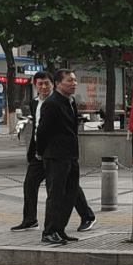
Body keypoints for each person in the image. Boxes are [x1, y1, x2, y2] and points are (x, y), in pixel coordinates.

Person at [11, 71, 97, 234]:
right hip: (41, 152)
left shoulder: (60, 101)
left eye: (47, 83)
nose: (44, 87)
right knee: (30, 184)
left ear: (53, 84)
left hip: (57, 153)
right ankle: (30, 220)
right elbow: (39, 128)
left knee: (68, 188)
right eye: (40, 84)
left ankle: (86, 216)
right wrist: (36, 151)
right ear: (35, 85)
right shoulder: (35, 103)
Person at [35, 69, 83, 245]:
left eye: (75, 80)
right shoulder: (52, 103)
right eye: (69, 80)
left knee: (70, 194)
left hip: (71, 155)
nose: (74, 84)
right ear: (58, 83)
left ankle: (60, 229)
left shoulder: (70, 101)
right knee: (56, 195)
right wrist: (40, 152)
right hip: (55, 156)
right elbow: (42, 131)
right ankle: (49, 231)